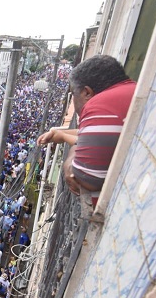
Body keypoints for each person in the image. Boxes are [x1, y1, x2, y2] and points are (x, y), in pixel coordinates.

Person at [38, 55, 136, 204]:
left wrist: (69, 160)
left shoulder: (100, 104)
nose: (73, 100)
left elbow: (83, 176)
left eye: (73, 94)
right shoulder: (131, 91)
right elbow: (99, 139)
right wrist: (62, 134)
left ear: (87, 92)